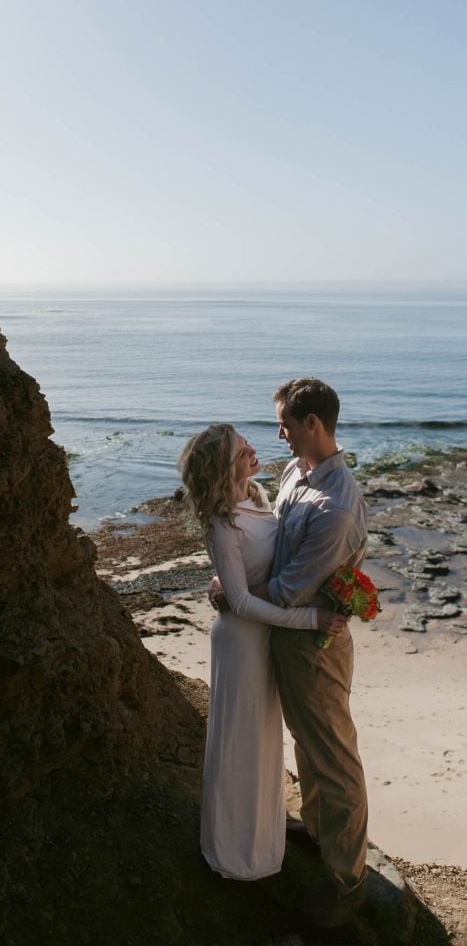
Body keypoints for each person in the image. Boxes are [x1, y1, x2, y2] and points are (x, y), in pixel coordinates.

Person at [212, 379, 369, 928]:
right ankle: (320, 829)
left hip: (313, 645)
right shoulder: (294, 471)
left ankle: (347, 880)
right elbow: (275, 544)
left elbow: (288, 589)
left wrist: (233, 597)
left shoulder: (337, 508)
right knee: (308, 742)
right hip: (282, 635)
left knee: (333, 756)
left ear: (313, 424)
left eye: (285, 423)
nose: (277, 433)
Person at [177, 423, 347, 882]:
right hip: (241, 641)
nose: (253, 449)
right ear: (221, 468)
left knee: (267, 739)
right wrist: (311, 619)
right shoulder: (220, 522)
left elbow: (264, 572)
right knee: (240, 742)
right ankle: (234, 853)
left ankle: (264, 839)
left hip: (266, 636)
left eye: (248, 443)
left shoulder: (256, 496)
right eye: (240, 451)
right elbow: (243, 602)